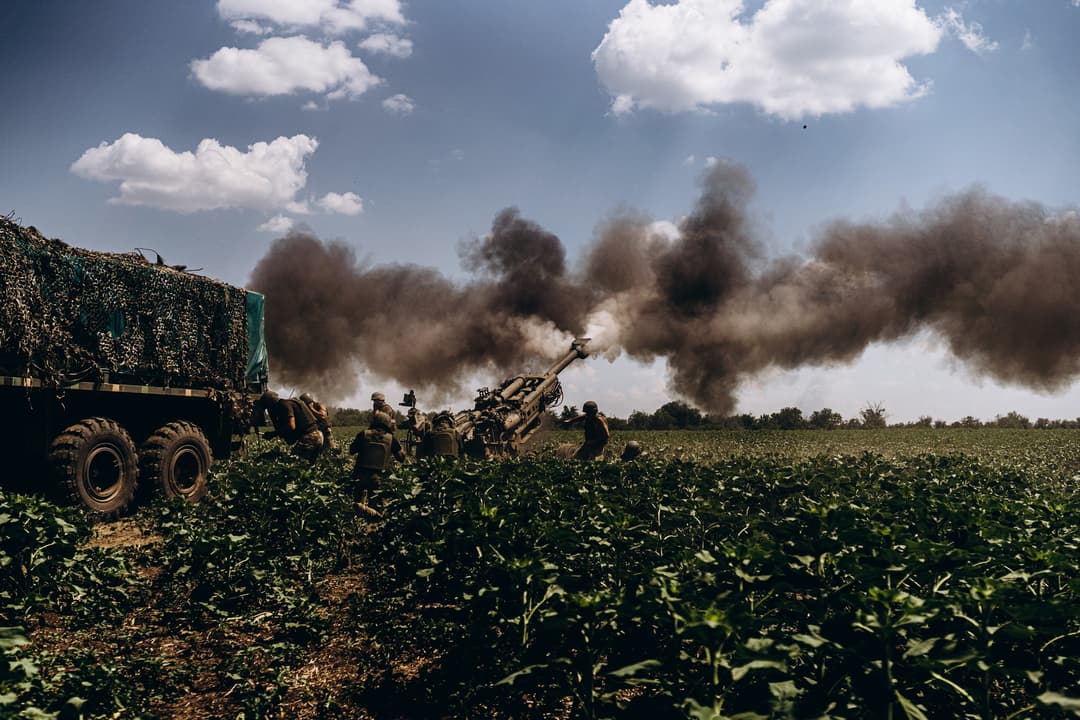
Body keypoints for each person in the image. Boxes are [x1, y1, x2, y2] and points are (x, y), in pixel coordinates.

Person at [349, 410, 405, 515]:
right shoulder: (391, 439)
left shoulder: (363, 434)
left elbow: (351, 450)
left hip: (359, 476)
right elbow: (401, 458)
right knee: (379, 508)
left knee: (357, 507)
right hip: (379, 479)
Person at [259, 390, 324, 462]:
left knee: (291, 463)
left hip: (310, 437)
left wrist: (273, 434)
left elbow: (291, 426)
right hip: (317, 436)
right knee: (308, 465)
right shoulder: (289, 402)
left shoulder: (284, 405)